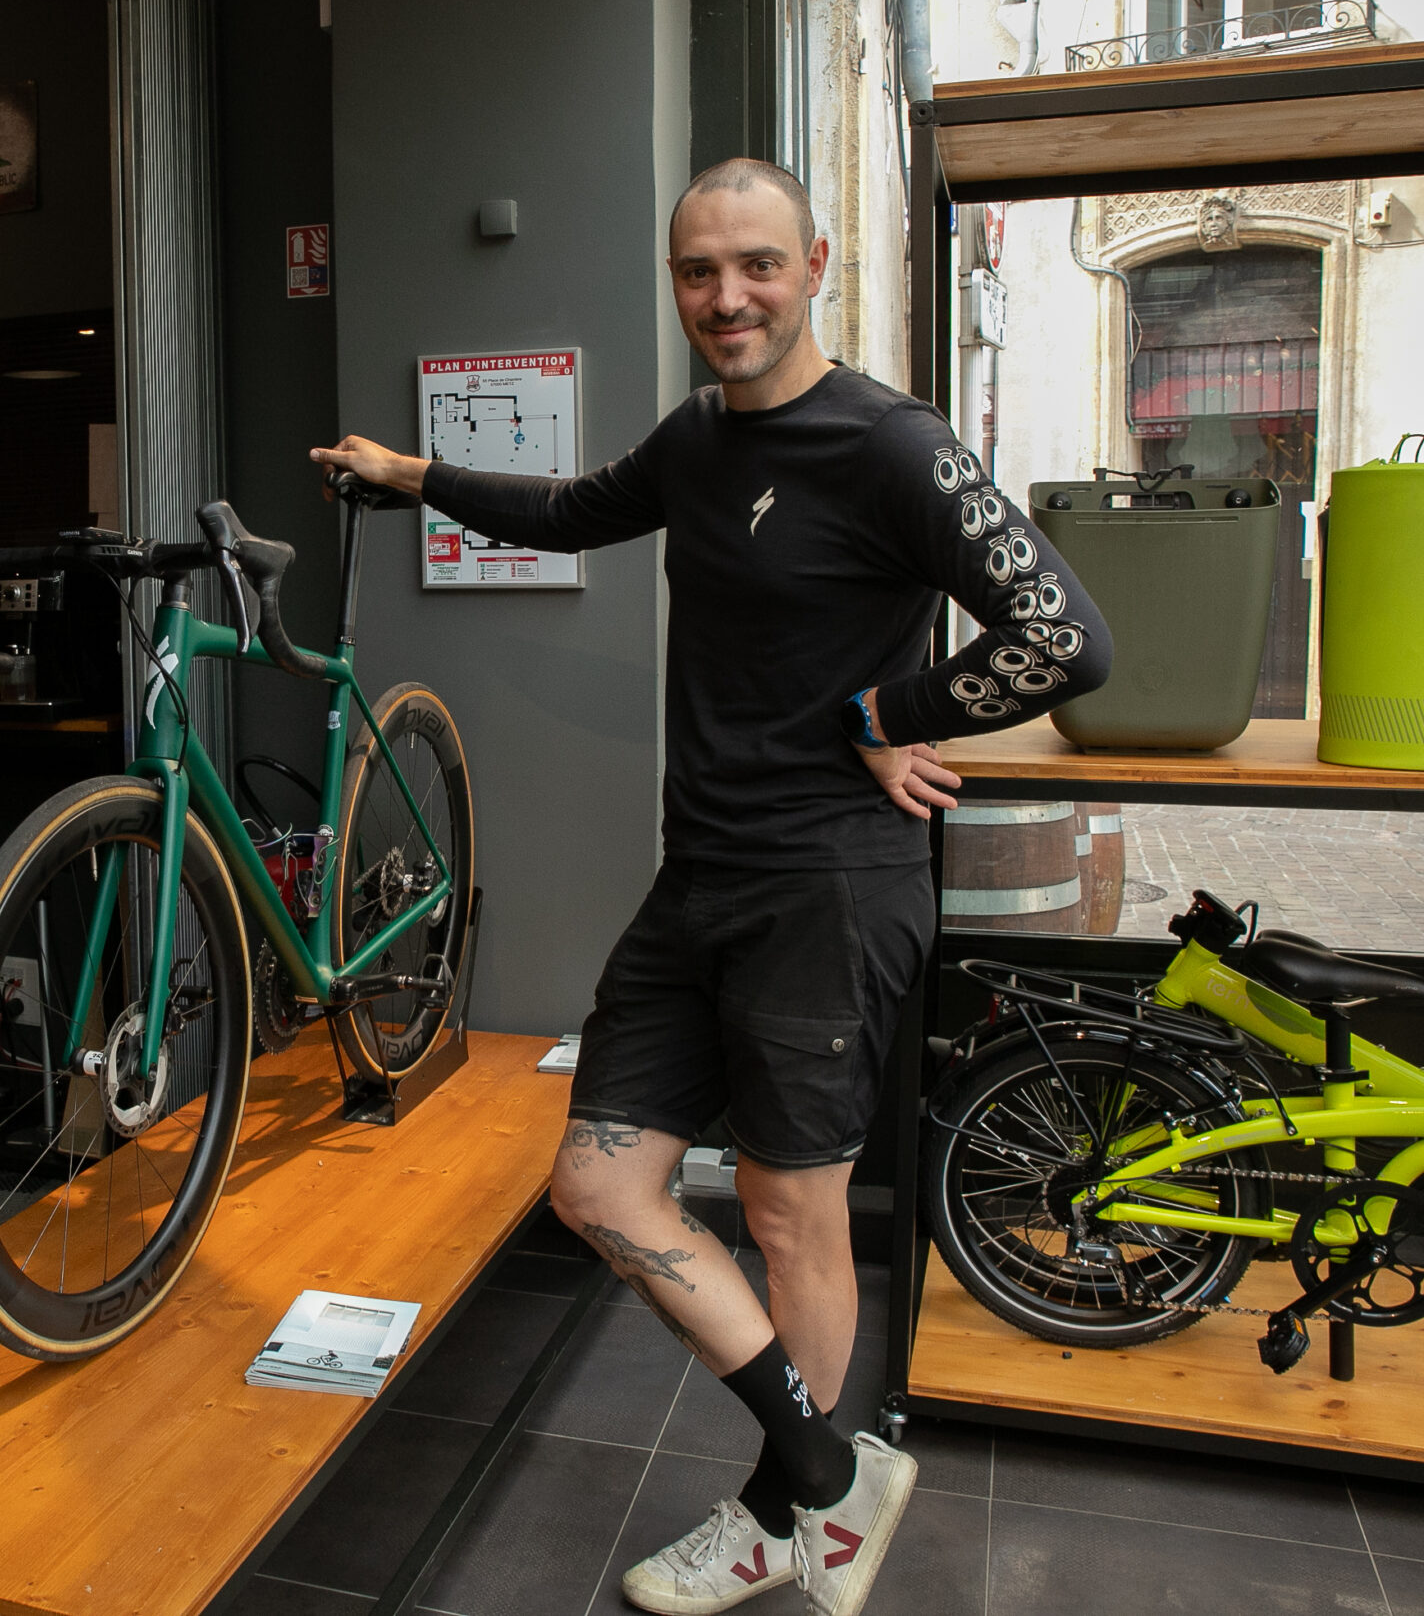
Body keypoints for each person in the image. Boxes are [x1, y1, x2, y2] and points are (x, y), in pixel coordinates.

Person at [311, 158, 1111, 1616]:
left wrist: (889, 714)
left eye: (756, 265)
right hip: (703, 879)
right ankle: (828, 1474)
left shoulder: (891, 445)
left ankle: (781, 1515)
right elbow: (570, 508)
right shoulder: (696, 438)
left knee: (790, 1215)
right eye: (698, 271)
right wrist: (414, 475)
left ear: (815, 265)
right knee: (598, 1185)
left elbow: (1066, 635)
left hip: (829, 891)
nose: (727, 297)